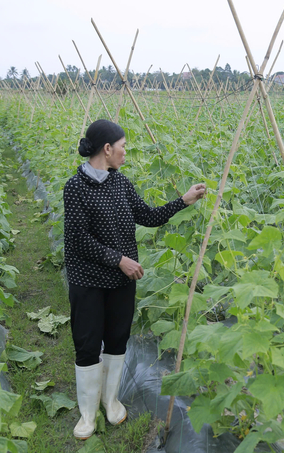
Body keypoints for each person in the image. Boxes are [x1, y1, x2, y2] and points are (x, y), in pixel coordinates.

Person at [63, 119, 206, 439]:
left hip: (121, 280)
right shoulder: (75, 188)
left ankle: (111, 401)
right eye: (123, 146)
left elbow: (147, 215)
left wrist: (183, 201)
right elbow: (78, 239)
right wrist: (119, 259)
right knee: (87, 343)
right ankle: (87, 414)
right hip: (87, 278)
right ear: (107, 148)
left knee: (116, 339)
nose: (127, 152)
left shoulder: (120, 183)